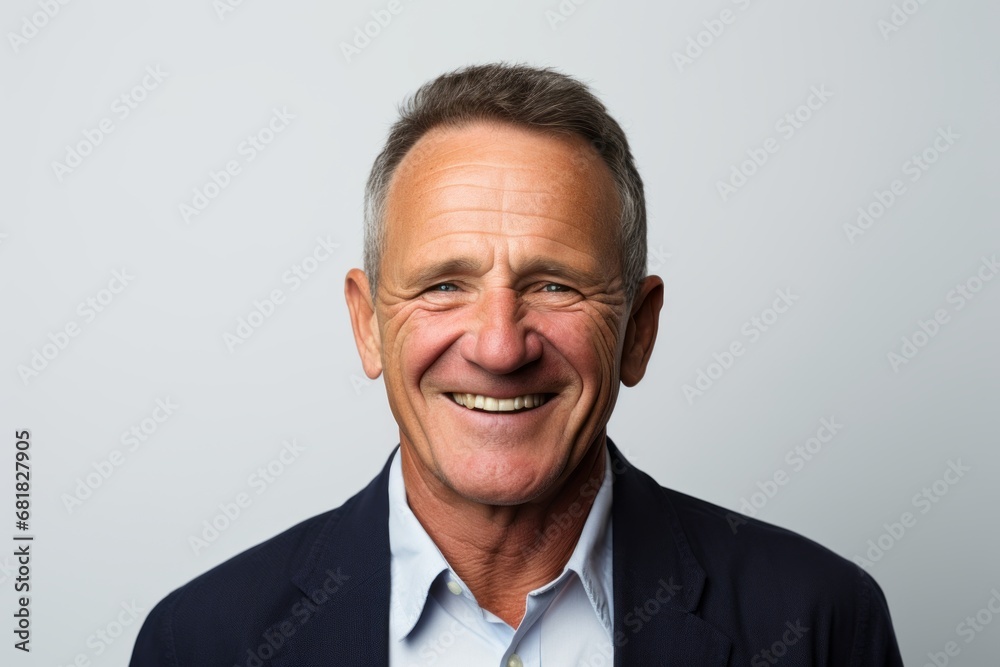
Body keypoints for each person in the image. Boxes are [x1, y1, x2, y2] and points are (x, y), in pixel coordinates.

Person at [131, 63, 903, 666]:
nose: (500, 346)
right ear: (368, 325)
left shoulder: (817, 624)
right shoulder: (199, 644)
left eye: (554, 285)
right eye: (444, 286)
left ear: (638, 329)